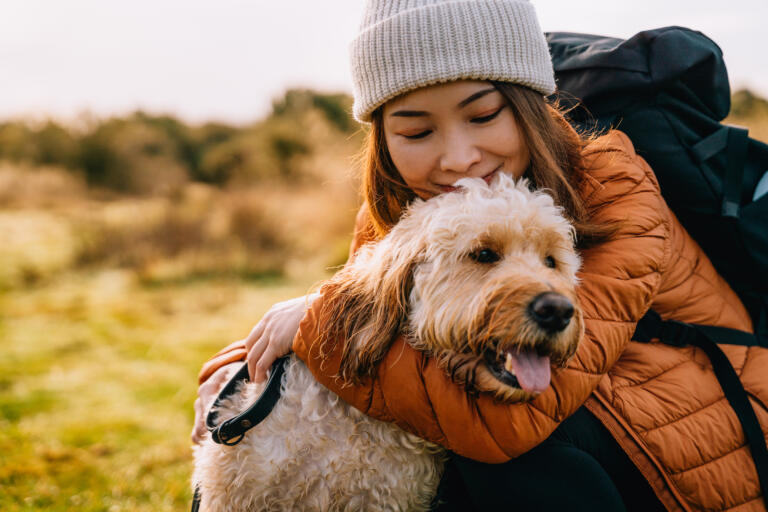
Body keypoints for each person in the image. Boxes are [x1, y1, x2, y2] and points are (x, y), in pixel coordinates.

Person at [192, 1, 767, 510]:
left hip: (701, 432)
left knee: (499, 447)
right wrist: (242, 378)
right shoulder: (406, 209)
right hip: (595, 430)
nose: (459, 157)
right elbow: (368, 321)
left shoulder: (614, 184)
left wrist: (318, 323)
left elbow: (517, 414)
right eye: (416, 131)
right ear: (384, 142)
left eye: (483, 115)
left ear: (529, 105)